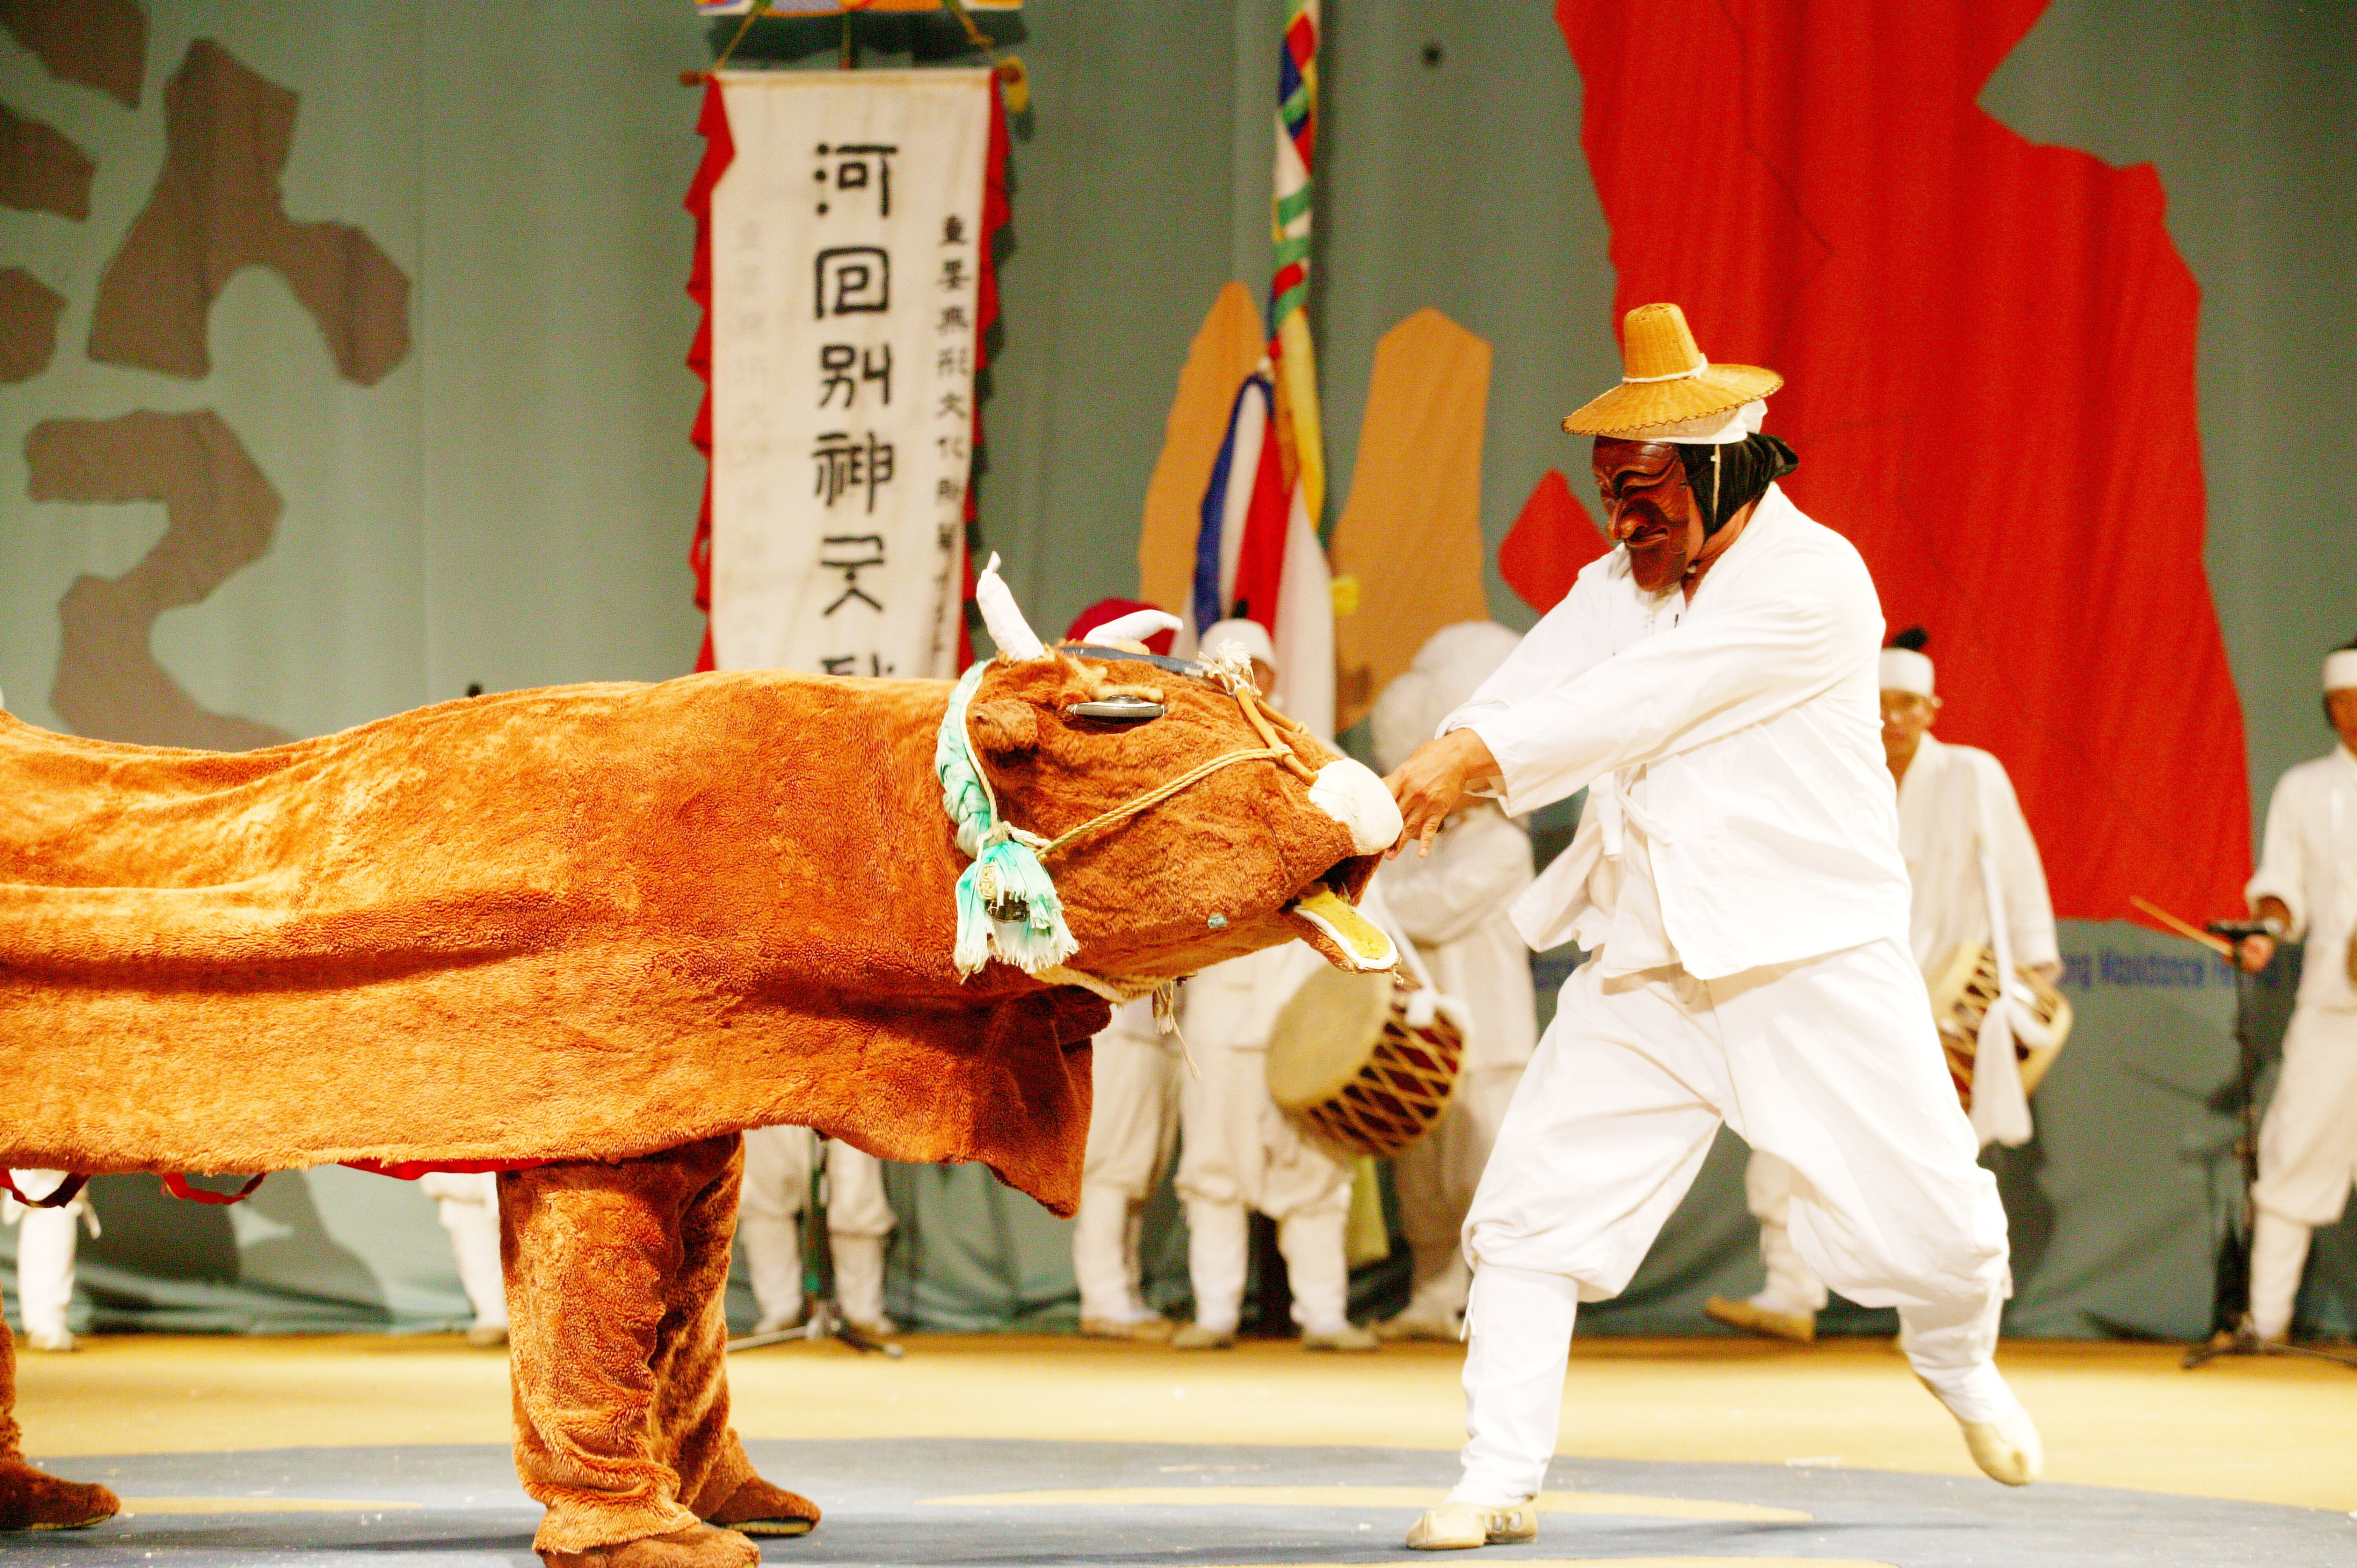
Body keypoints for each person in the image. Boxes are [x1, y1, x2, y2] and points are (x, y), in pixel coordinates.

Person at [1384, 303, 2036, 1553]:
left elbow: (1639, 701)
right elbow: (1528, 688)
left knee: (1945, 1237)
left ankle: (1954, 1361)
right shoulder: (1617, 582)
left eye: (1643, 490)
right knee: (1527, 1217)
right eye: (1609, 493)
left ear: (1724, 464)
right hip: (1649, 960)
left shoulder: (1814, 581)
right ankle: (1497, 1473)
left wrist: (1470, 758)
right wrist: (1400, 789)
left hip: (1811, 957)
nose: (1622, 518)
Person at [1708, 626, 2059, 1344]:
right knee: (1788, 1136)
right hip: (1837, 995)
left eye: (1906, 705)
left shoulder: (1970, 774)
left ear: (1931, 709)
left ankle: (1942, 1314)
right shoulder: (1831, 775)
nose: (1891, 719)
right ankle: (1788, 1290)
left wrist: (2028, 970)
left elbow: (2015, 878)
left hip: (1937, 1000)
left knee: (1930, 1165)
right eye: (1878, 704)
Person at [1170, 618, 1378, 1354]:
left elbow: (1360, 887)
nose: (1244, 681)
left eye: (1253, 667)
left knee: (1313, 1168)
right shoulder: (1181, 777)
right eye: (1228, 669)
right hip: (1219, 1014)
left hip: (1300, 1004)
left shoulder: (1314, 768)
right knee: (1215, 1168)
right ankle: (1215, 1312)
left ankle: (1323, 1314)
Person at [1368, 624, 1538, 1341]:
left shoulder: (1505, 846)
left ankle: (1501, 1304)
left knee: (1486, 1175)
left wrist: (1373, 898)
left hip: (1489, 1036)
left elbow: (1423, 913)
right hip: (1421, 1035)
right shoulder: (1416, 846)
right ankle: (1432, 1295)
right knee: (1425, 1180)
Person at [2232, 639, 2357, 1344]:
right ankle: (2268, 1324)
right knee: (2291, 1152)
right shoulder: (2303, 788)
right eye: (2341, 700)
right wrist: (2266, 930)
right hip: (2333, 1000)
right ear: (2326, 707)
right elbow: (2280, 886)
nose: (2352, 712)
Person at [737, 1128, 897, 1337]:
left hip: (844, 1098)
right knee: (764, 1194)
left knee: (856, 1192)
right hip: (765, 1098)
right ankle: (780, 1311)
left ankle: (862, 1311)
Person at [417, 1173, 510, 1348]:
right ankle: (494, 1317)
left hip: (505, 1173)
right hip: (464, 1183)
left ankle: (507, 1319)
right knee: (474, 1254)